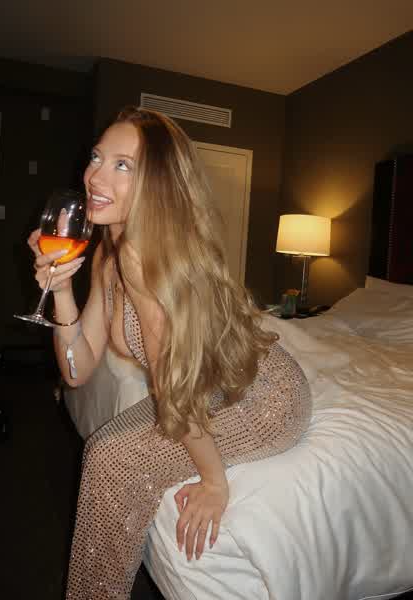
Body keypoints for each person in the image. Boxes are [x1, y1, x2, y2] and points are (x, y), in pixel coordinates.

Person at [28, 106, 311, 600]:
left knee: (113, 460)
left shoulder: (143, 259)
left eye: (123, 165)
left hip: (264, 400)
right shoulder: (109, 249)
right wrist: (62, 290)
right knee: (105, 449)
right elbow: (77, 371)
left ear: (156, 183)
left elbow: (174, 388)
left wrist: (214, 482)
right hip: (213, 386)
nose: (95, 176)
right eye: (96, 158)